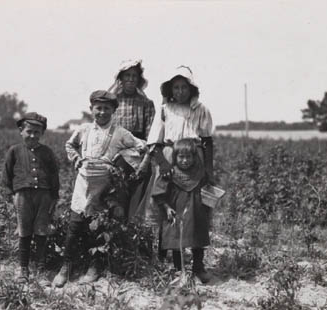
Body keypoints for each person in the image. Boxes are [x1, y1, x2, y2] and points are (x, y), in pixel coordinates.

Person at [52, 90, 146, 288]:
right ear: (91, 109)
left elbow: (141, 146)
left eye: (107, 109)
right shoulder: (84, 129)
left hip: (105, 185)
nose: (102, 112)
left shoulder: (120, 132)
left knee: (98, 225)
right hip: (83, 182)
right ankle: (66, 266)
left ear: (113, 111)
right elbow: (70, 145)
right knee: (75, 224)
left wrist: (121, 159)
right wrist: (76, 159)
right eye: (98, 108)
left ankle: (94, 266)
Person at [137, 65, 214, 283]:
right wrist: (163, 164)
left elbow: (208, 141)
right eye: (176, 87)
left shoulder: (200, 110)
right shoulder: (165, 110)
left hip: (194, 159)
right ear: (170, 90)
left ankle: (198, 266)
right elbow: (154, 141)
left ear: (191, 89)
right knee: (172, 212)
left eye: (184, 87)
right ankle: (177, 266)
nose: (180, 91)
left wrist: (208, 170)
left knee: (197, 213)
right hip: (172, 158)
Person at [2, 112, 59, 285]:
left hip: (43, 195)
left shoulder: (47, 152)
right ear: (21, 131)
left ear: (42, 133)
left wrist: (54, 196)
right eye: (29, 131)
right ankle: (23, 269)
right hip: (22, 195)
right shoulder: (15, 151)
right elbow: (6, 175)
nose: (33, 135)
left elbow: (54, 175)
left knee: (41, 231)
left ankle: (41, 270)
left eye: (37, 132)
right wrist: (9, 195)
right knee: (24, 231)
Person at [151, 139, 210, 282]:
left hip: (196, 212)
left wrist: (210, 199)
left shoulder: (199, 172)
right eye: (181, 157)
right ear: (175, 157)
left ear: (194, 157)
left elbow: (208, 188)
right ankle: (179, 270)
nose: (185, 161)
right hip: (176, 212)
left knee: (198, 238)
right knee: (177, 240)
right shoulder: (170, 173)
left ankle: (198, 267)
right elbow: (159, 193)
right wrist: (166, 208)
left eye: (188, 157)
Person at [108, 59, 156, 220]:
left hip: (138, 152)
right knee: (114, 194)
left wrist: (145, 162)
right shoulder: (112, 102)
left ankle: (133, 231)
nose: (130, 79)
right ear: (120, 79)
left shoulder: (146, 103)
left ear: (139, 79)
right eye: (127, 76)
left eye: (134, 76)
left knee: (137, 193)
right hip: (114, 152)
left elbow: (151, 136)